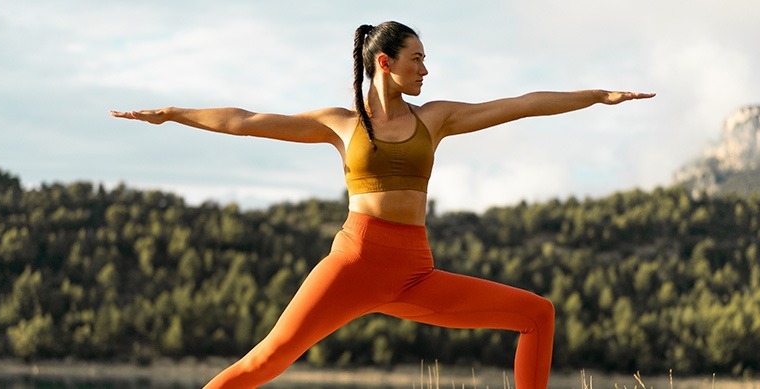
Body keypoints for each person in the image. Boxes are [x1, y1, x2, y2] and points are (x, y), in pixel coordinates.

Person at [112, 21, 654, 389]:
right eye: (418, 59)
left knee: (537, 313)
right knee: (265, 361)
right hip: (353, 264)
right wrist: (174, 112)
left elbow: (520, 105)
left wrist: (597, 96)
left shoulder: (435, 118)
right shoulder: (342, 124)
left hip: (415, 273)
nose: (426, 70)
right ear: (385, 62)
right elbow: (245, 121)